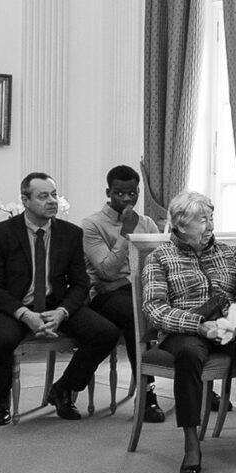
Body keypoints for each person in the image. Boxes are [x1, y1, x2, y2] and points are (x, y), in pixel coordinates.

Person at [141, 191, 236, 473]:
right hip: (184, 330)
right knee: (189, 356)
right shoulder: (159, 258)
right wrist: (198, 324)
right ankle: (191, 444)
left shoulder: (226, 253)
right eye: (202, 220)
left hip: (227, 326)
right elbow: (155, 309)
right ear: (181, 225)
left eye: (211, 218)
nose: (210, 225)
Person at [0, 172, 119, 425]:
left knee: (106, 333)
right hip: (15, 306)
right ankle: (1, 397)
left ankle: (64, 388)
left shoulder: (71, 234)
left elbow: (80, 284)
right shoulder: (1, 233)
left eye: (54, 194)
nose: (52, 201)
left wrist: (62, 312)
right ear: (25, 200)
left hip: (57, 304)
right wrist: (25, 314)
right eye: (43, 196)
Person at [84, 164, 165, 424]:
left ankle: (201, 389)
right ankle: (148, 396)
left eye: (133, 193)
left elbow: (160, 263)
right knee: (135, 315)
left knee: (187, 309)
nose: (128, 199)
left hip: (143, 291)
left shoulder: (148, 223)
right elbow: (106, 271)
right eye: (120, 193)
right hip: (106, 296)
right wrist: (125, 233)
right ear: (108, 192)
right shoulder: (92, 225)